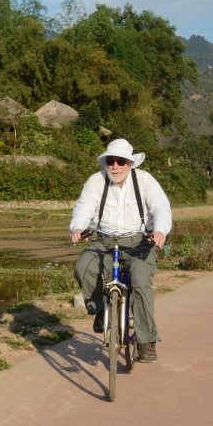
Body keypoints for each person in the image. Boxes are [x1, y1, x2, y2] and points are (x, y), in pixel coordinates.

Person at [70, 138, 172, 364]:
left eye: (121, 161)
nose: (115, 166)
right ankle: (99, 309)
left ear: (130, 163)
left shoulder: (145, 181)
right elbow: (84, 206)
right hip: (105, 241)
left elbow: (160, 206)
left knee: (141, 281)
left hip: (139, 244)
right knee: (82, 267)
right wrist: (78, 226)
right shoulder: (96, 181)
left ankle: (146, 341)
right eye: (111, 161)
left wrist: (161, 231)